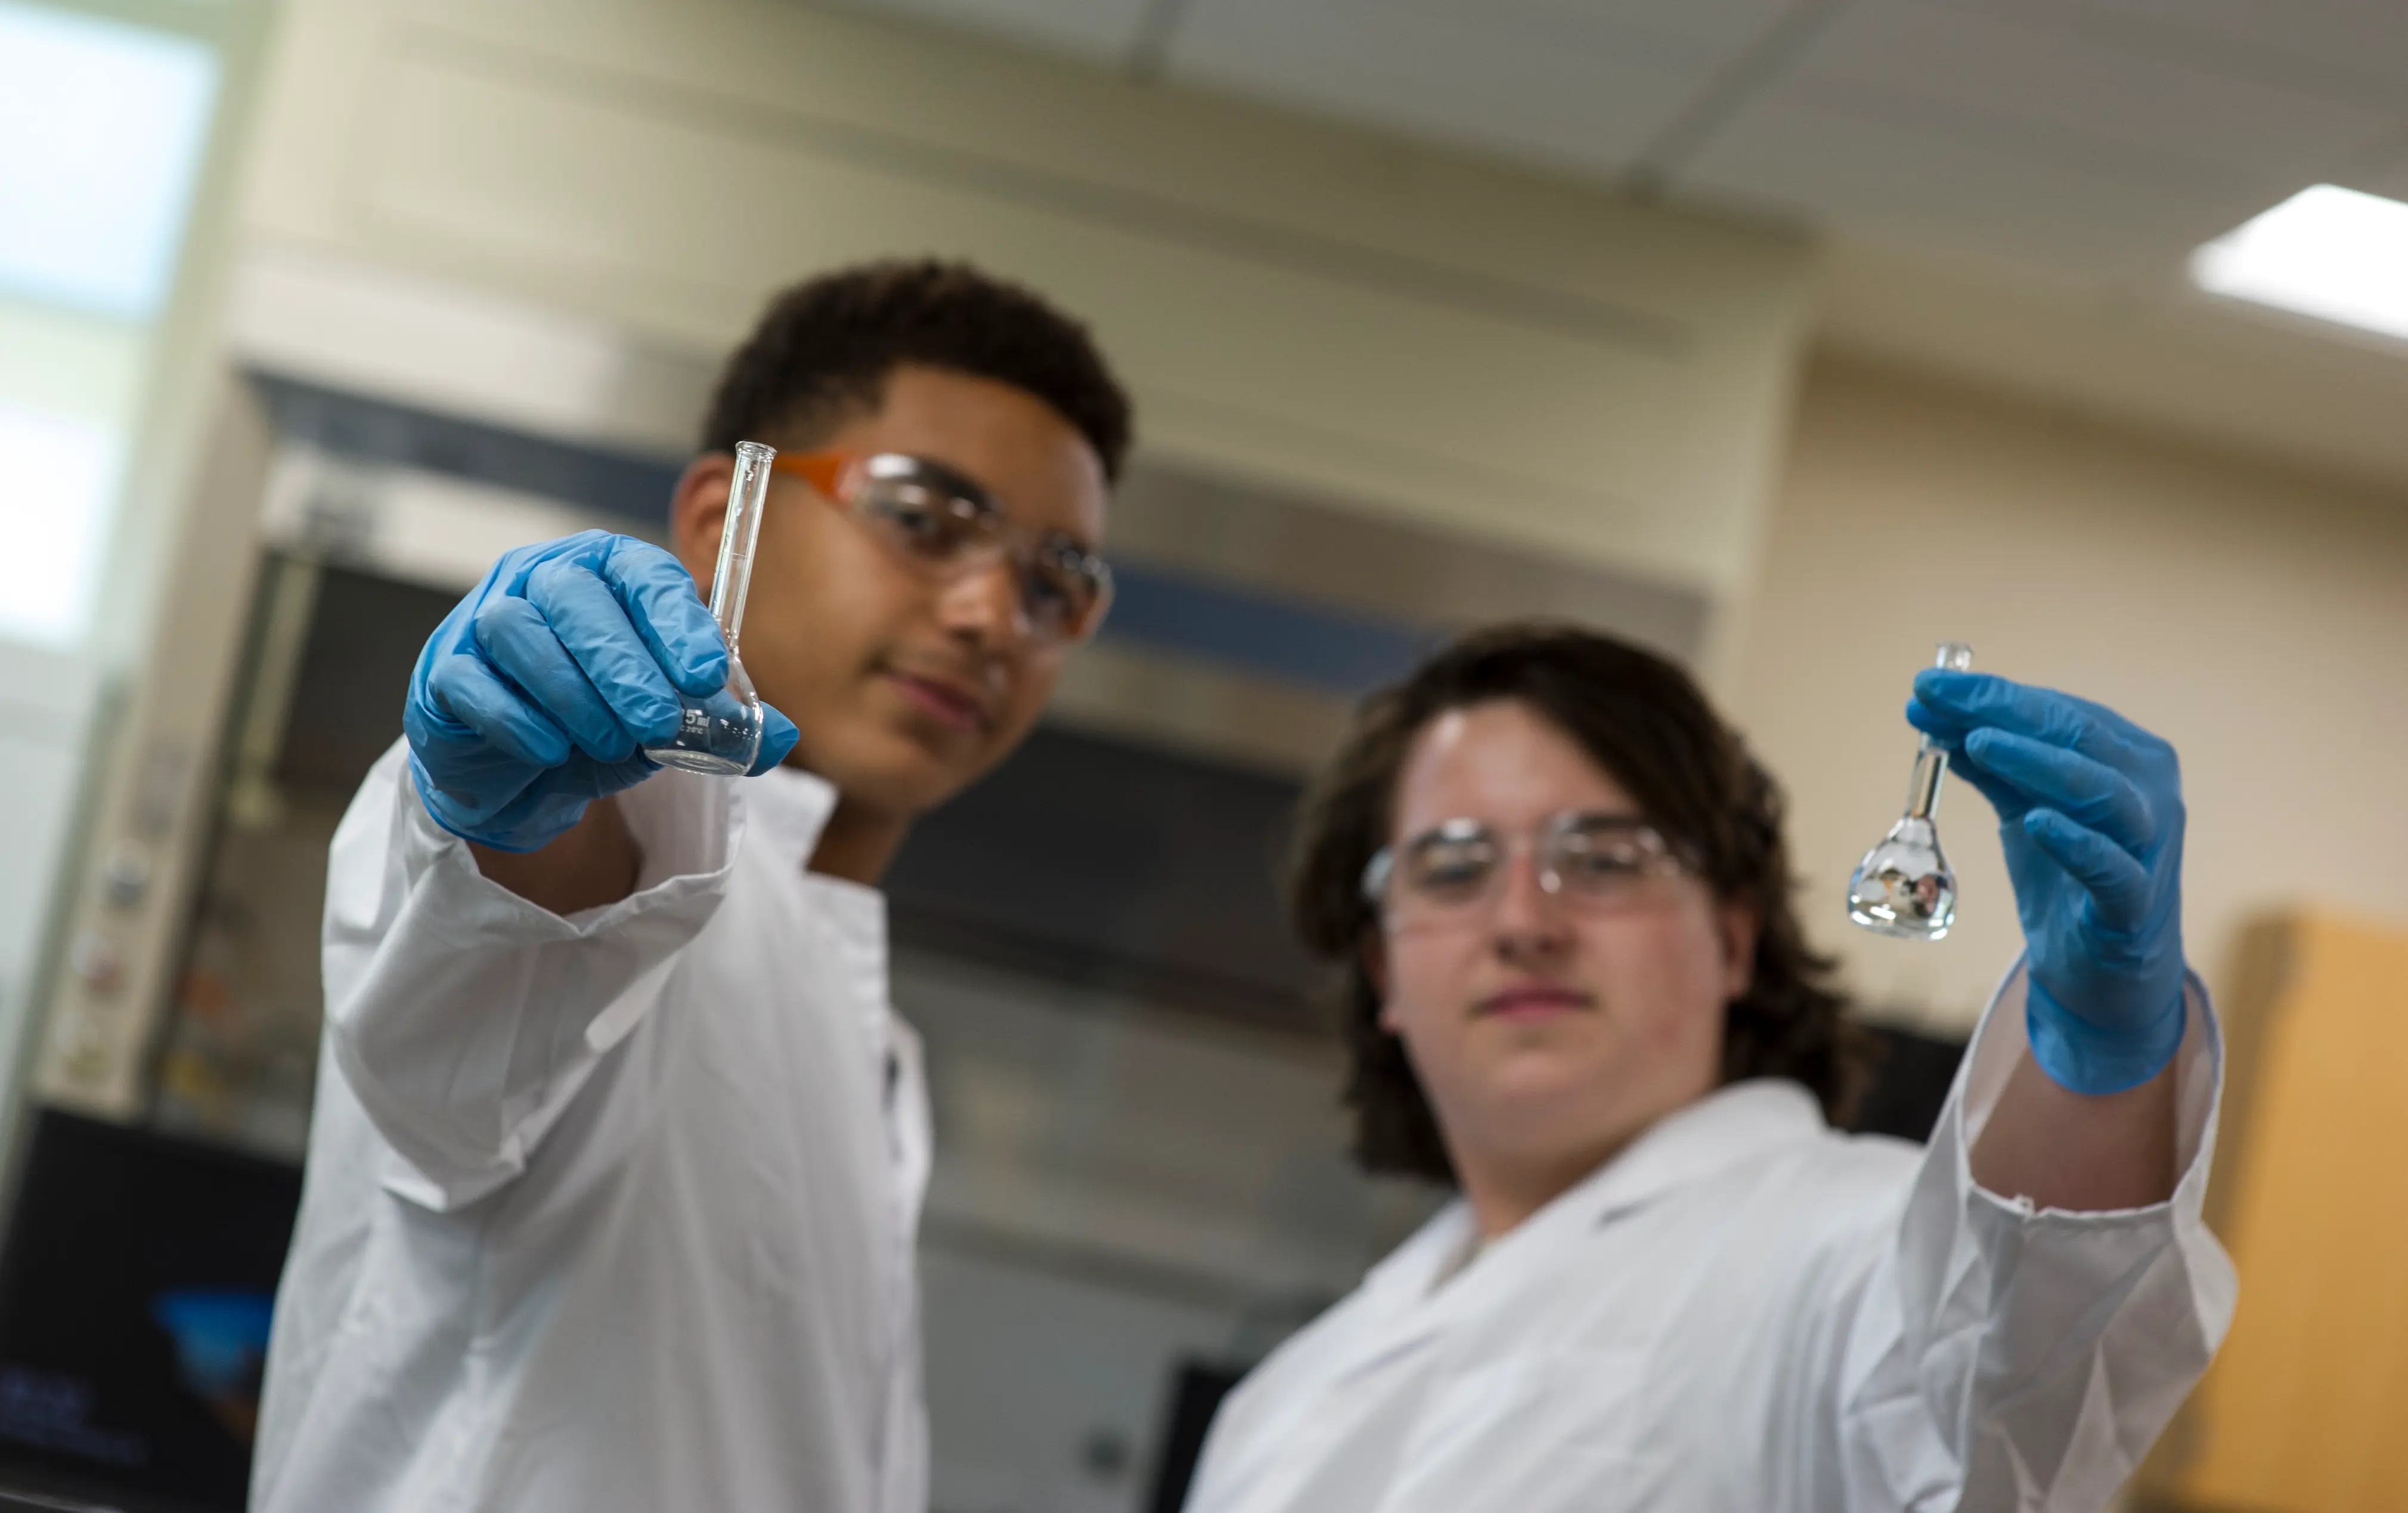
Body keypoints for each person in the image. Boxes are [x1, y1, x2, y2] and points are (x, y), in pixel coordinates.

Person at [250, 261, 1132, 1513]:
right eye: (927, 518)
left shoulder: (878, 1043)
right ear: (726, 520)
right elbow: (537, 919)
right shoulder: (627, 836)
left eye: (1056, 583)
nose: (994, 613)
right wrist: (508, 794)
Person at [1183, 624, 2232, 1513]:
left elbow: (2001, 1386)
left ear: (1732, 938)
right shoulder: (1276, 1403)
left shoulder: (1838, 1252)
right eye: (1453, 869)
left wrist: (2093, 1067)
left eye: (1602, 860)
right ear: (1385, 972)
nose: (1520, 922)